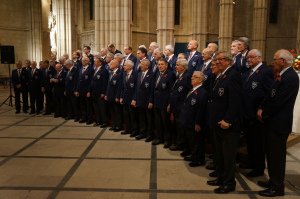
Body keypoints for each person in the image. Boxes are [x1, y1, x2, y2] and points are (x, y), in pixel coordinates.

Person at [257, 49, 299, 197]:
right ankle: (273, 181)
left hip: (279, 123)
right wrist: (262, 107)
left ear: (282, 61)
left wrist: (264, 113)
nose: (273, 62)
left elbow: (279, 102)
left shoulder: (291, 77)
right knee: (271, 154)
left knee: (277, 157)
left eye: (275, 59)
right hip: (272, 122)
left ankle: (277, 187)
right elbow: (270, 94)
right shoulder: (282, 75)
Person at [207, 51, 242, 194]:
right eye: (216, 60)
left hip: (227, 124)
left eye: (220, 60)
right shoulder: (221, 76)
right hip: (217, 121)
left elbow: (235, 101)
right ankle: (221, 177)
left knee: (228, 156)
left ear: (228, 61)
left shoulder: (233, 76)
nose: (217, 62)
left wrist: (228, 120)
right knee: (219, 153)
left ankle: (229, 183)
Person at [241, 49, 274, 177]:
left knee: (258, 143)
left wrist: (261, 108)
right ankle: (251, 162)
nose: (248, 60)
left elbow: (269, 93)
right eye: (248, 58)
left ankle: (258, 168)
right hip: (247, 113)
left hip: (257, 115)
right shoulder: (249, 72)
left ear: (259, 58)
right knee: (250, 141)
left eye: (252, 57)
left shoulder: (265, 72)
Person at [179, 71, 208, 167]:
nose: (192, 78)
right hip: (188, 120)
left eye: (195, 77)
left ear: (200, 80)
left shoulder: (202, 92)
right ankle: (193, 155)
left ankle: (199, 159)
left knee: (197, 142)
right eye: (192, 76)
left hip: (195, 122)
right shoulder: (193, 89)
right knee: (191, 141)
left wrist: (198, 123)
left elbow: (201, 109)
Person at [168, 59, 192, 150]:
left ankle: (181, 144)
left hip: (181, 106)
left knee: (181, 127)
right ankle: (178, 143)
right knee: (177, 126)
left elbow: (187, 92)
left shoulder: (187, 76)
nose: (175, 66)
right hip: (175, 105)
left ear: (183, 67)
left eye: (177, 65)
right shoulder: (180, 75)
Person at [152, 58, 176, 147]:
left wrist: (169, 103)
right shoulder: (157, 73)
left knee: (166, 122)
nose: (160, 66)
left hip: (165, 103)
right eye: (159, 64)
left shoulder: (170, 74)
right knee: (158, 122)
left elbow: (171, 91)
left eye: (162, 64)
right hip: (157, 101)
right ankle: (159, 138)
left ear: (166, 65)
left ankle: (167, 140)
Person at [131, 59, 155, 141]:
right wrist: (134, 98)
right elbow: (136, 88)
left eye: (142, 64)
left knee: (149, 119)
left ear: (147, 66)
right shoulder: (139, 74)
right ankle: (142, 133)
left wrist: (151, 101)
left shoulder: (152, 75)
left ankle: (149, 135)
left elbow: (152, 90)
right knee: (141, 118)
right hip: (139, 100)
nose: (140, 65)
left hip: (147, 101)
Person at [120, 60, 138, 135]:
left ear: (130, 66)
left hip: (132, 98)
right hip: (125, 98)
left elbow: (136, 89)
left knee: (133, 116)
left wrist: (134, 99)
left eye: (125, 65)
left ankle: (134, 130)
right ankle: (127, 129)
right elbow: (123, 87)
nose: (123, 66)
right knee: (126, 115)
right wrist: (121, 97)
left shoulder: (136, 74)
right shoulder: (124, 74)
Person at [89, 56, 109, 127]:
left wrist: (103, 92)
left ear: (100, 62)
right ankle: (98, 121)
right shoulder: (95, 69)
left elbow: (105, 82)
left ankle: (104, 122)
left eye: (96, 61)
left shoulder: (104, 70)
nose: (94, 62)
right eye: (94, 61)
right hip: (94, 92)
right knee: (96, 108)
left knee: (102, 108)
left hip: (100, 92)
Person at [105, 59, 123, 132]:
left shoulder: (120, 73)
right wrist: (106, 94)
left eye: (111, 64)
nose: (109, 65)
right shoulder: (111, 72)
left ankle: (119, 125)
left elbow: (119, 86)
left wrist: (117, 96)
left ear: (116, 65)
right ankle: (114, 124)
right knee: (112, 111)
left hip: (115, 96)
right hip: (110, 95)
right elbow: (108, 85)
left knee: (117, 112)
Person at [77, 57, 94, 124]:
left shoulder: (91, 69)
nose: (82, 62)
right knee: (82, 105)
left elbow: (91, 81)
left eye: (84, 61)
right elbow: (78, 80)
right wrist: (77, 90)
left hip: (87, 90)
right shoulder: (80, 68)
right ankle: (84, 117)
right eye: (82, 61)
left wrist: (89, 91)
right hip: (81, 90)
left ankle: (89, 119)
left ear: (88, 61)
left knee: (88, 106)